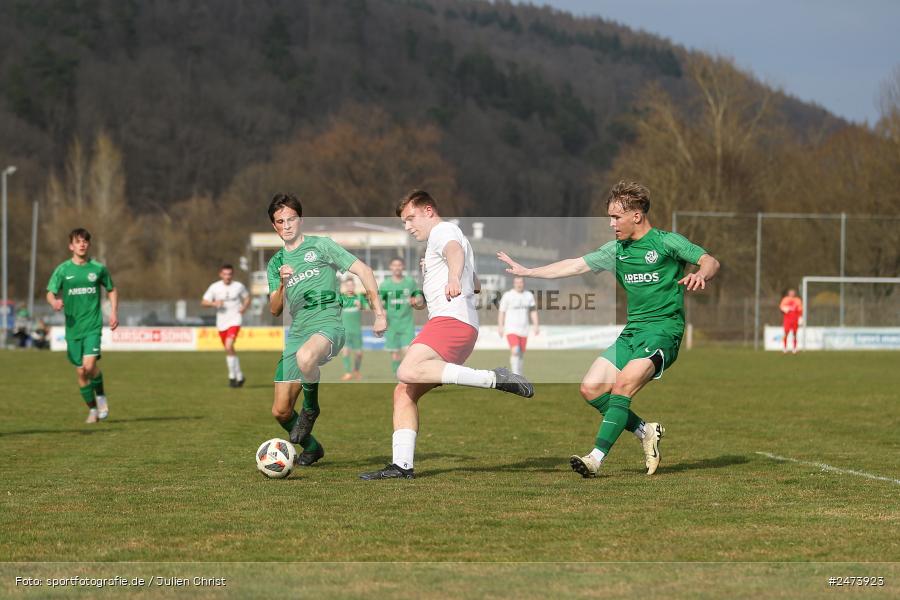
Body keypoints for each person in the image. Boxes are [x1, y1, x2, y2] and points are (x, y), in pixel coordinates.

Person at [498, 181, 720, 478]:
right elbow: (575, 266)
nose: (611, 223)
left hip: (663, 331)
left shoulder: (667, 243)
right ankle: (645, 431)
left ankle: (595, 459)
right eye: (610, 217)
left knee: (622, 386)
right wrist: (529, 271)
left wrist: (701, 274)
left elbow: (709, 260)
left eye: (616, 217)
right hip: (632, 331)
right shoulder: (615, 250)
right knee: (590, 389)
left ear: (637, 216)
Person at [360, 190, 534, 481]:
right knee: (404, 391)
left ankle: (495, 378)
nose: (407, 226)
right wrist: (435, 284)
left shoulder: (444, 230)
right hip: (455, 322)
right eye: (403, 222)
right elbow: (475, 284)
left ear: (428, 210)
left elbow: (455, 251)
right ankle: (402, 466)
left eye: (410, 218)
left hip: (452, 322)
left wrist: (453, 275)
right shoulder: (438, 243)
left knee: (406, 368)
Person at [267, 193, 387, 466]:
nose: (286, 225)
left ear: (301, 219)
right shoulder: (275, 264)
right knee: (281, 411)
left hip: (328, 325)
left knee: (306, 358)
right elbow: (274, 309)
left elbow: (365, 271)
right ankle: (312, 448)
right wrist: (283, 284)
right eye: (280, 221)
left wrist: (379, 313)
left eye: (291, 219)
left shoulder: (321, 246)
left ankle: (311, 409)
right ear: (274, 227)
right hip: (297, 332)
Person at [46, 228, 119, 423]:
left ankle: (101, 397)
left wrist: (113, 312)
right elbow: (50, 292)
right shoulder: (63, 270)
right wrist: (54, 302)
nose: (82, 244)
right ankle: (93, 409)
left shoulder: (98, 269)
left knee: (89, 365)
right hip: (73, 328)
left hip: (93, 325)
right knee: (81, 372)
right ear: (71, 246)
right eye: (78, 241)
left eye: (85, 241)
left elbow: (111, 289)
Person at [201, 264, 251, 387]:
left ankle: (232, 377)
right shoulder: (214, 287)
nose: (227, 277)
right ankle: (239, 376)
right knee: (229, 349)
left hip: (235, 320)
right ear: (221, 274)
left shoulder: (238, 286)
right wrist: (214, 303)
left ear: (232, 275)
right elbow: (203, 302)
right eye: (225, 274)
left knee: (229, 345)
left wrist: (244, 307)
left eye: (230, 274)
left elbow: (247, 298)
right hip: (221, 323)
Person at [379, 257, 422, 376]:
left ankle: (407, 375)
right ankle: (397, 376)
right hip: (391, 324)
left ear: (403, 267)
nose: (397, 267)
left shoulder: (410, 282)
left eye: (399, 265)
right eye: (394, 265)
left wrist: (415, 300)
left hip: (406, 323)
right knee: (395, 353)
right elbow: (380, 305)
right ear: (390, 268)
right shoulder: (385, 285)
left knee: (408, 352)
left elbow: (418, 299)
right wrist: (381, 319)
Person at [498, 276, 539, 375]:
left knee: (520, 354)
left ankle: (519, 374)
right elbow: (501, 311)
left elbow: (533, 311)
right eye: (517, 282)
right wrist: (500, 326)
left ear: (523, 283)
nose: (519, 284)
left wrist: (536, 325)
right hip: (511, 329)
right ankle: (515, 375)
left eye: (521, 282)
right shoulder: (508, 295)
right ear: (514, 283)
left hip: (524, 330)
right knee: (515, 350)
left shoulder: (528, 295)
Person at [338, 276, 366, 381]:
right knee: (345, 351)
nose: (350, 287)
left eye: (351, 285)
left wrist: (361, 306)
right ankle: (348, 373)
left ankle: (356, 370)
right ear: (345, 287)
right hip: (345, 331)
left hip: (357, 330)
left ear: (354, 286)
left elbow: (367, 309)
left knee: (359, 354)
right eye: (347, 285)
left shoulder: (359, 297)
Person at [779, 289, 802, 354]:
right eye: (790, 293)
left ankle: (794, 348)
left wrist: (800, 318)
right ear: (788, 293)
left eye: (793, 293)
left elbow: (800, 309)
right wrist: (786, 309)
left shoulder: (798, 300)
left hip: (795, 319)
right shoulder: (785, 299)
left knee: (795, 334)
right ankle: (785, 348)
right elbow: (781, 308)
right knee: (786, 333)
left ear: (794, 294)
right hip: (787, 319)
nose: (792, 294)